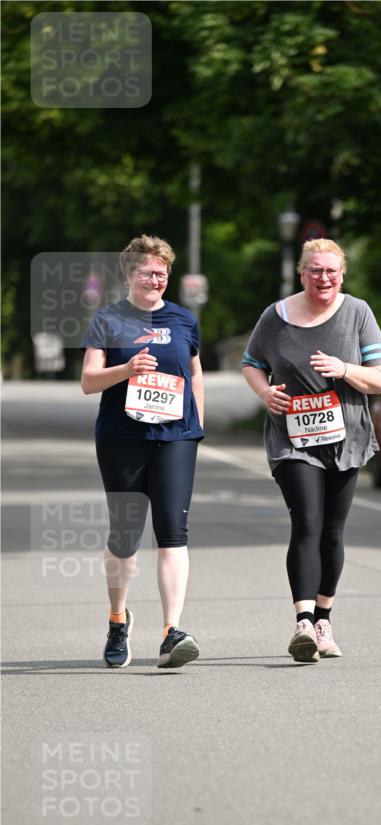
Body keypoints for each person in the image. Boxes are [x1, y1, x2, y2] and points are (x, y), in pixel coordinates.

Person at [242, 238, 381, 662]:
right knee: (307, 519)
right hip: (293, 439)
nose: (323, 278)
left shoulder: (358, 312)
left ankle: (324, 619)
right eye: (315, 270)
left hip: (346, 436)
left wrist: (344, 369)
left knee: (333, 530)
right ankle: (303, 622)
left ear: (341, 274)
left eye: (331, 271)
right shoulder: (276, 316)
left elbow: (379, 379)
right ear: (301, 273)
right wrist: (264, 392)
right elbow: (252, 362)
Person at [81, 234, 204, 669]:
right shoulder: (108, 320)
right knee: (125, 539)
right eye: (149, 271)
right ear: (129, 275)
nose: (157, 278)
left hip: (175, 438)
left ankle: (173, 632)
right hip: (122, 439)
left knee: (174, 533)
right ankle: (118, 620)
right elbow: (89, 380)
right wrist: (127, 368)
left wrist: (196, 427)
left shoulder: (184, 320)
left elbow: (194, 375)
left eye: (163, 272)